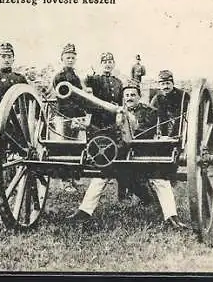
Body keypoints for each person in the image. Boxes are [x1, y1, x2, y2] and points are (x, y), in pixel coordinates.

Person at [66, 85, 188, 229]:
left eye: (133, 95)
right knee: (100, 177)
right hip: (120, 154)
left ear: (139, 97)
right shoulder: (115, 111)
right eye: (127, 95)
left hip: (142, 153)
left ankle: (171, 217)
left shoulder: (150, 112)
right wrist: (87, 127)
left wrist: (129, 123)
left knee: (160, 179)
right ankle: (84, 212)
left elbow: (146, 132)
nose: (129, 97)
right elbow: (106, 132)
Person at [52, 43, 87, 192]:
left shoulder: (76, 77)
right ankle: (65, 181)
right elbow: (61, 97)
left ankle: (73, 178)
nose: (70, 60)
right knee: (64, 148)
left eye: (73, 57)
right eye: (68, 57)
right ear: (62, 59)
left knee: (75, 147)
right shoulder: (59, 76)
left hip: (76, 116)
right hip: (64, 115)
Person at [0, 42, 28, 126]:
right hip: (2, 122)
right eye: (3, 57)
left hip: (20, 122)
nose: (6, 60)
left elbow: (27, 100)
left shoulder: (20, 78)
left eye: (9, 56)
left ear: (13, 59)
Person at [84, 52, 123, 129]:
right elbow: (84, 85)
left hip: (114, 116)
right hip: (99, 116)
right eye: (105, 62)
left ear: (114, 64)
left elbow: (120, 100)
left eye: (110, 62)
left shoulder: (118, 82)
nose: (107, 65)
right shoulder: (95, 79)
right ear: (101, 65)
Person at [150, 70, 190, 138]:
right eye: (163, 84)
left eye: (168, 83)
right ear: (159, 86)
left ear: (173, 83)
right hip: (164, 134)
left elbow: (190, 115)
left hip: (182, 130)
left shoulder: (183, 96)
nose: (166, 86)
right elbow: (151, 117)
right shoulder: (157, 98)